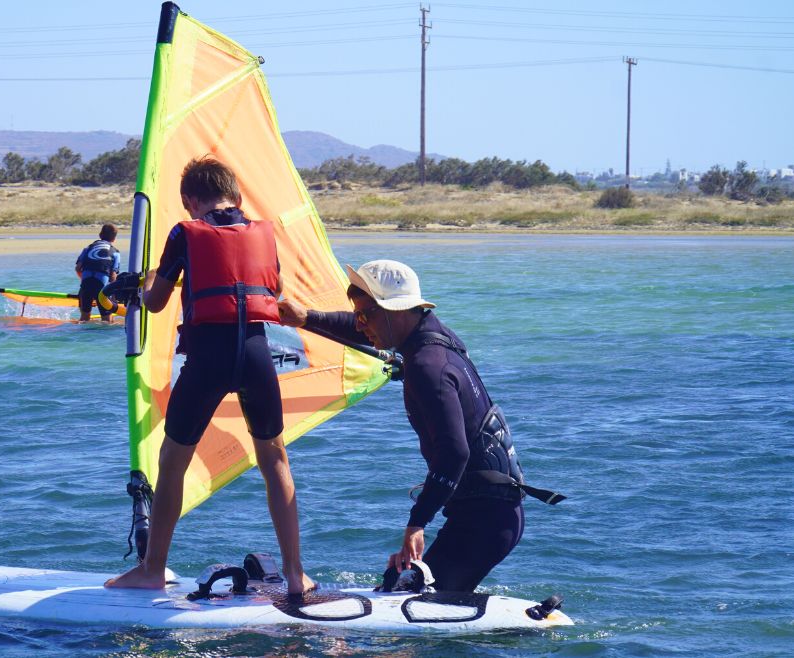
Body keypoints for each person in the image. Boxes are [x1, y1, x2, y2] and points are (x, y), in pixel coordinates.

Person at [279, 260, 557, 592]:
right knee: (409, 587)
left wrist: (416, 524)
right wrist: (306, 318)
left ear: (394, 311)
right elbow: (363, 329)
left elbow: (454, 454)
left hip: (485, 522)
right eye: (358, 316)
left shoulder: (428, 368)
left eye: (365, 315)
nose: (360, 324)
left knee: (412, 598)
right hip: (490, 511)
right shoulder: (436, 336)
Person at [105, 157, 314, 595]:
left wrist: (142, 284)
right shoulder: (264, 233)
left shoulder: (184, 233)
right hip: (256, 354)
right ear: (236, 196)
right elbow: (272, 289)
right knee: (275, 459)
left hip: (208, 359)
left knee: (172, 461)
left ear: (189, 200)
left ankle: (152, 569)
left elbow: (156, 302)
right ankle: (296, 573)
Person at [75, 224, 121, 322]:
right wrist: (113, 295)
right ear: (114, 239)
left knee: (84, 318)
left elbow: (78, 268)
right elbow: (113, 276)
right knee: (107, 321)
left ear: (100, 235)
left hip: (86, 284)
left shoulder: (88, 249)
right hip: (102, 288)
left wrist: (84, 283)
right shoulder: (115, 252)